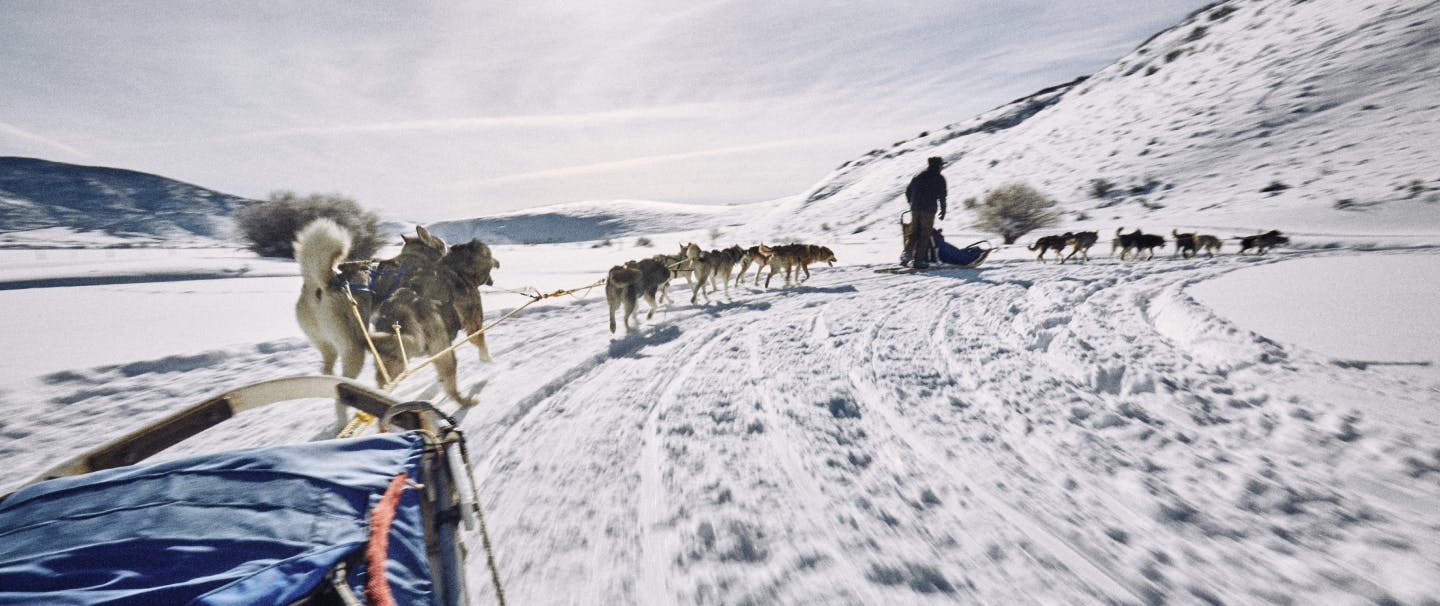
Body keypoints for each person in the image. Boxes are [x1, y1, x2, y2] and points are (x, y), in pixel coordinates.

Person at [903, 156, 947, 268]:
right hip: (928, 210)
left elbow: (908, 191)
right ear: (938, 166)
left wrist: (912, 203)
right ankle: (918, 261)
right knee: (924, 235)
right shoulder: (939, 178)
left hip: (915, 209)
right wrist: (943, 210)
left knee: (913, 233)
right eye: (942, 165)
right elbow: (942, 196)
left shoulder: (918, 175)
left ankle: (906, 256)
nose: (943, 167)